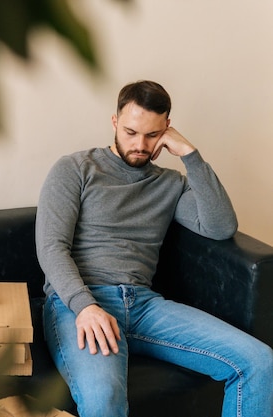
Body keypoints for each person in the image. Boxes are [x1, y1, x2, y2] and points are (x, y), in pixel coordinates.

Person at [35, 80, 273, 417]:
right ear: (115, 121)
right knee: (104, 398)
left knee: (259, 362)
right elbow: (50, 247)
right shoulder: (75, 168)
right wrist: (85, 306)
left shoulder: (170, 184)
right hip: (78, 304)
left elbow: (221, 228)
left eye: (151, 135)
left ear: (166, 130)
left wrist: (191, 156)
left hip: (144, 305)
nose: (140, 145)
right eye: (131, 132)